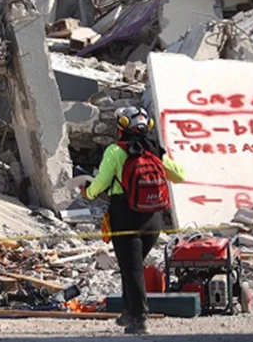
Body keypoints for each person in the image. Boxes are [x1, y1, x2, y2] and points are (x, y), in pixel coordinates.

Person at [84, 106, 185, 335]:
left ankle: (139, 319)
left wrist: (87, 192)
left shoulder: (115, 151)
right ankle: (129, 311)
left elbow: (100, 183)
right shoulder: (154, 150)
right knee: (132, 267)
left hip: (126, 217)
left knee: (132, 269)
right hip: (153, 219)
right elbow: (181, 175)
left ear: (121, 128)